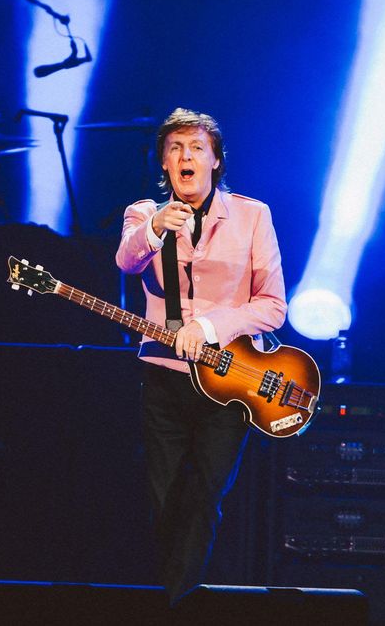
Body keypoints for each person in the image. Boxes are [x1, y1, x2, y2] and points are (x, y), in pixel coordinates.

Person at [115, 108, 286, 603]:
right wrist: (153, 230)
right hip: (164, 379)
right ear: (164, 165)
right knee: (164, 498)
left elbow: (272, 306)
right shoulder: (143, 214)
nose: (185, 156)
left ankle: (171, 603)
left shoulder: (253, 216)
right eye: (175, 149)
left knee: (205, 495)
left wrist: (209, 327)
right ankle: (171, 598)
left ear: (216, 160)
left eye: (195, 148)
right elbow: (126, 260)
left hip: (230, 380)